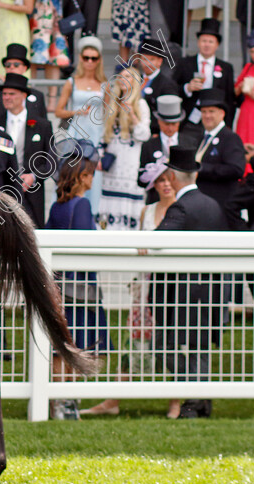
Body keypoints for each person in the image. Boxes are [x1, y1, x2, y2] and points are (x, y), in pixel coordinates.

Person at [81, 161, 182, 418]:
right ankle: (113, 399)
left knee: (173, 341)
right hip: (145, 286)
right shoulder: (146, 211)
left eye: (169, 179)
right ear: (154, 185)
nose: (166, 184)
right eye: (160, 180)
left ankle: (175, 402)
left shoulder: (182, 210)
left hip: (174, 287)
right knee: (134, 339)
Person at [154, 146, 229, 419]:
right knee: (199, 348)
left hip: (185, 292)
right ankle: (200, 399)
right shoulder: (212, 205)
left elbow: (155, 241)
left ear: (173, 177)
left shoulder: (181, 207)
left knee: (162, 346)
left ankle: (196, 398)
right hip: (212, 290)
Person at [45, 138, 108, 420]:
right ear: (82, 176)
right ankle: (66, 403)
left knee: (61, 347)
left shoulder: (57, 205)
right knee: (75, 345)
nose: (93, 178)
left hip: (59, 286)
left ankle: (58, 403)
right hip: (79, 289)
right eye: (91, 173)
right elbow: (85, 246)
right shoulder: (81, 205)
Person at [55, 35, 105, 217]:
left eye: (94, 58)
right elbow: (58, 111)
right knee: (72, 174)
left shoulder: (104, 84)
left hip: (95, 134)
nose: (89, 62)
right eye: (86, 58)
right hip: (76, 133)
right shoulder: (72, 82)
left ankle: (90, 216)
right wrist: (76, 112)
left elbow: (108, 115)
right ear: (81, 59)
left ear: (99, 60)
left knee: (93, 178)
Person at [0, 73, 53, 228]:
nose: (6, 97)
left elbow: (51, 160)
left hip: (31, 194)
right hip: (1, 191)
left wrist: (33, 177)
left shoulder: (42, 125)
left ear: (24, 95)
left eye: (11, 94)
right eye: (4, 94)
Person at [99, 66, 151, 231]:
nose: (123, 79)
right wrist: (100, 156)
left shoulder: (141, 104)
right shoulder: (113, 103)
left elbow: (144, 135)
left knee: (129, 208)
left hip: (130, 164)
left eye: (128, 77)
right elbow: (104, 136)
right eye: (120, 77)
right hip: (112, 166)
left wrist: (133, 117)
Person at [174, 18, 236, 136]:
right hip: (189, 120)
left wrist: (228, 124)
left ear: (217, 45)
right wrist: (187, 88)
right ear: (198, 42)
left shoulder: (226, 68)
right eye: (204, 41)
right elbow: (172, 87)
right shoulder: (184, 63)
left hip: (214, 121)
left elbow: (229, 98)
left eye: (211, 42)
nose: (207, 45)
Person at [193, 88, 246, 209]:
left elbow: (236, 169)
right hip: (202, 202)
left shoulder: (230, 138)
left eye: (211, 111)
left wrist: (201, 168)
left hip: (220, 203)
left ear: (222, 113)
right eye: (204, 112)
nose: (207, 116)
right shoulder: (200, 137)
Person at [138, 95, 193, 205]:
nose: (170, 128)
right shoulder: (149, 145)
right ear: (159, 121)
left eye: (174, 124)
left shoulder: (189, 143)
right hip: (156, 200)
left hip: (183, 201)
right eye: (167, 124)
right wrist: (151, 174)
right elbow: (140, 181)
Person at [29, 0, 70, 111]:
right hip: (34, 11)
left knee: (54, 58)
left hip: (54, 11)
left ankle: (52, 101)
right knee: (32, 57)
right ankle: (31, 97)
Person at [0, 43, 48, 120]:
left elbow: (43, 125)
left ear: (25, 68)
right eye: (8, 64)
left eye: (16, 64)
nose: (11, 67)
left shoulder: (37, 96)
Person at [137, 39, 180, 136]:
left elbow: (168, 113)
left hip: (154, 132)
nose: (147, 63)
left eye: (151, 59)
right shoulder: (135, 79)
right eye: (144, 59)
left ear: (159, 61)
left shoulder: (167, 84)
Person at [0, 0, 34, 79]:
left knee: (15, 55)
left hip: (16, 23)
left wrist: (2, 5)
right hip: (0, 23)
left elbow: (28, 8)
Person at [234, 29, 254, 149]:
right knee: (243, 146)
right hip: (246, 113)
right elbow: (235, 92)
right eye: (252, 52)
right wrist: (241, 86)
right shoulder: (248, 67)